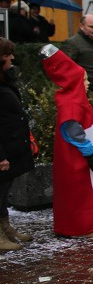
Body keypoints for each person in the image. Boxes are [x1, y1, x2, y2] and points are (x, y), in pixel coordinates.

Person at [40, 45, 93, 238]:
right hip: (78, 156)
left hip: (84, 152)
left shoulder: (75, 98)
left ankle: (92, 222)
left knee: (89, 189)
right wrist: (88, 152)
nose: (87, 83)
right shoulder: (71, 101)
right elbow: (72, 130)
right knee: (81, 191)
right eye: (84, 79)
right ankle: (82, 226)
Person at [0, 38, 34, 251]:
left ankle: (5, 227)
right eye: (7, 54)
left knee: (4, 191)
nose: (12, 57)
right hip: (3, 148)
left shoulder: (5, 80)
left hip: (12, 145)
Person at [59, 14, 93, 106]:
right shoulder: (72, 43)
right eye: (91, 27)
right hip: (87, 93)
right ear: (82, 26)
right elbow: (65, 69)